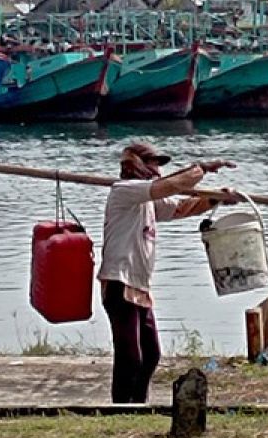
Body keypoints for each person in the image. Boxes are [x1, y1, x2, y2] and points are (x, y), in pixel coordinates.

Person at [98, 141, 238, 404]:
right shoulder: (124, 191)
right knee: (130, 356)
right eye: (153, 164)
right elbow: (170, 186)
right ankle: (120, 408)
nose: (157, 171)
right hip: (119, 281)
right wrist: (203, 169)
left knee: (150, 354)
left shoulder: (149, 200)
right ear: (135, 165)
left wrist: (214, 198)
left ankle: (137, 404)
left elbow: (180, 206)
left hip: (139, 285)